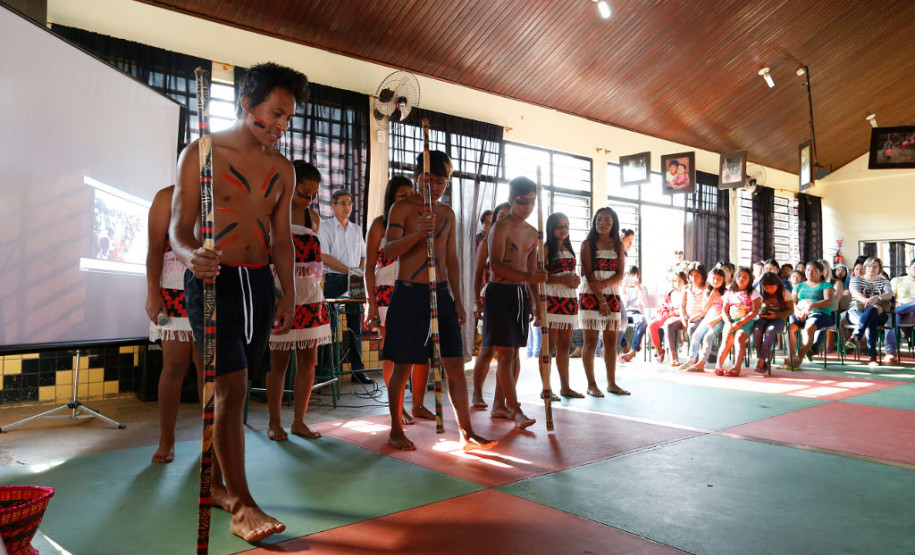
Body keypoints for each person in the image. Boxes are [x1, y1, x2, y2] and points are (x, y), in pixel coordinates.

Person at [171, 61, 308, 542]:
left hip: (258, 285)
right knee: (229, 387)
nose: (281, 125)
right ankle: (243, 506)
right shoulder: (201, 153)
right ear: (247, 104)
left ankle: (215, 485)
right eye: (275, 113)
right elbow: (179, 229)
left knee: (241, 387)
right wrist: (191, 257)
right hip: (213, 281)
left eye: (288, 117)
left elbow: (282, 238)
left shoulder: (283, 169)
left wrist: (289, 291)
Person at [382, 150, 496, 450]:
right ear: (417, 176)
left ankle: (466, 431)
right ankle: (395, 429)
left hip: (441, 293)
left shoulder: (447, 214)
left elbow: (452, 259)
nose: (434, 187)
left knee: (454, 364)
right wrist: (418, 233)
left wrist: (458, 299)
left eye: (441, 182)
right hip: (409, 293)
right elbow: (389, 251)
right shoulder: (401, 208)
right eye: (429, 180)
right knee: (403, 365)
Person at [265, 161, 332, 441]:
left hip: (310, 296)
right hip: (280, 295)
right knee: (278, 361)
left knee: (309, 360)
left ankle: (299, 421)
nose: (309, 200)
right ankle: (274, 422)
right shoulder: (270, 212)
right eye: (304, 193)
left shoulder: (312, 218)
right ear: (289, 186)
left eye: (314, 195)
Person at [364, 176, 431, 424]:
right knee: (394, 351)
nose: (408, 200)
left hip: (417, 288)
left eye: (411, 194)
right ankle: (398, 407)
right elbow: (369, 267)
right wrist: (370, 303)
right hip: (387, 291)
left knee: (422, 351)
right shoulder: (380, 224)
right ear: (391, 197)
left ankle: (418, 404)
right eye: (403, 196)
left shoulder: (421, 221)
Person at [484, 176, 549, 427]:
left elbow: (532, 273)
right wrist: (529, 277)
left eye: (533, 202)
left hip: (520, 295)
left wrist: (536, 303)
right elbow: (496, 266)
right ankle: (516, 409)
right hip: (499, 293)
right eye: (523, 201)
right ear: (511, 200)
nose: (529, 207)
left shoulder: (533, 233)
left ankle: (499, 405)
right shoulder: (500, 228)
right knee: (505, 353)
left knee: (514, 354)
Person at [146, 185, 203, 463]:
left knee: (208, 367)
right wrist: (152, 293)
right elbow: (155, 249)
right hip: (173, 288)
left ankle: (211, 438)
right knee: (175, 364)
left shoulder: (220, 193)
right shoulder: (166, 197)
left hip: (211, 288)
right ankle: (166, 440)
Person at [318, 189, 374, 384]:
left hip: (356, 278)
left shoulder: (356, 229)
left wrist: (357, 271)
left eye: (350, 203)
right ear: (333, 206)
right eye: (343, 203)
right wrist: (349, 270)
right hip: (334, 278)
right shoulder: (325, 227)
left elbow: (364, 255)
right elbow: (324, 257)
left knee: (355, 326)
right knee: (330, 327)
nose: (347, 207)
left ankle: (358, 371)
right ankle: (326, 371)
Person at [579, 207, 629, 396]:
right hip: (591, 294)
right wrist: (601, 299)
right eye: (599, 219)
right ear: (594, 222)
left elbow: (620, 274)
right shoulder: (587, 244)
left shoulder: (618, 245)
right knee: (590, 342)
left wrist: (605, 285)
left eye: (608, 220)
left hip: (612, 293)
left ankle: (612, 383)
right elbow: (589, 274)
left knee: (610, 342)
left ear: (614, 223)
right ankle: (591, 384)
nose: (603, 223)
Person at [470, 202, 514, 411]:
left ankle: (501, 401)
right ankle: (477, 393)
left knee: (512, 354)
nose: (505, 219)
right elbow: (477, 274)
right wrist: (475, 302)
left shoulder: (520, 241)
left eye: (509, 216)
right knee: (488, 349)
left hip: (515, 299)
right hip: (492, 297)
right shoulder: (487, 243)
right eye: (501, 216)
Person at [544, 212, 583, 398]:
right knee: (549, 346)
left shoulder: (569, 249)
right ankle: (546, 388)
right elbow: (538, 276)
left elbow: (568, 273)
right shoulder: (545, 248)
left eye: (566, 225)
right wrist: (561, 280)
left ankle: (565, 387)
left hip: (569, 300)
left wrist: (575, 280)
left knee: (565, 346)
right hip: (552, 299)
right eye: (559, 226)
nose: (563, 229)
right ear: (551, 228)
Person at [784, 261, 835, 368]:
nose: (810, 273)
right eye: (808, 270)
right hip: (800, 313)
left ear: (821, 273)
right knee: (789, 328)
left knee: (809, 328)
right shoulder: (799, 286)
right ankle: (792, 356)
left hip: (820, 314)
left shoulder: (826, 285)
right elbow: (792, 302)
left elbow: (829, 301)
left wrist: (812, 305)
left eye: (814, 271)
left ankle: (800, 358)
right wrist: (797, 311)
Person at [846, 257, 895, 365]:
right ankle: (872, 356)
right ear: (865, 267)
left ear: (879, 269)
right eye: (869, 266)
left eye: (875, 267)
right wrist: (871, 303)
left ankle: (855, 336)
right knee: (871, 317)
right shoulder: (856, 279)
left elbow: (889, 294)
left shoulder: (884, 281)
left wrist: (877, 297)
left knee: (871, 314)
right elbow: (855, 293)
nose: (871, 269)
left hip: (880, 313)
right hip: (856, 311)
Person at [717, 267, 762, 376]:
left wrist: (740, 322)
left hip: (746, 321)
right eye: (739, 276)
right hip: (731, 321)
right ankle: (718, 366)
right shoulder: (729, 292)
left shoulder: (753, 292)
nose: (741, 279)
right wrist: (728, 322)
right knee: (726, 339)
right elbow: (724, 310)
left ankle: (736, 367)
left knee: (739, 338)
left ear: (750, 279)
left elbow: (755, 311)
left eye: (745, 277)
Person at [681, 268, 727, 372]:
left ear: (723, 280)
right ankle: (691, 360)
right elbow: (705, 308)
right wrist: (711, 296)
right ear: (709, 279)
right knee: (696, 335)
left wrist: (716, 320)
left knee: (708, 337)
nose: (716, 281)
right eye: (714, 278)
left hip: (720, 319)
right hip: (708, 318)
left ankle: (702, 362)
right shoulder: (707, 292)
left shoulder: (726, 292)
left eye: (719, 279)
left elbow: (726, 311)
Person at [663, 263, 706, 366]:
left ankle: (695, 357)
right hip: (687, 317)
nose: (694, 278)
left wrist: (694, 318)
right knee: (669, 324)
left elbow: (707, 309)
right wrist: (683, 319)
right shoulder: (686, 288)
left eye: (697, 275)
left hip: (701, 318)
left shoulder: (706, 288)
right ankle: (673, 357)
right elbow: (682, 306)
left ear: (702, 276)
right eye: (691, 275)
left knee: (692, 327)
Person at [753, 272, 794, 373]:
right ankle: (763, 358)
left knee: (770, 330)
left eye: (772, 288)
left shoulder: (784, 292)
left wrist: (776, 315)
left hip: (779, 319)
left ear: (778, 284)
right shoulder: (759, 291)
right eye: (766, 288)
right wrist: (760, 312)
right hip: (763, 318)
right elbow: (755, 307)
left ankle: (761, 360)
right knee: (757, 330)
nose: (769, 290)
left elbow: (791, 310)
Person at [648, 272, 687, 362]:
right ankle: (659, 352)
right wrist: (665, 312)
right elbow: (663, 305)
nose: (677, 283)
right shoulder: (670, 292)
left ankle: (671, 354)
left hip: (678, 316)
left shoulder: (687, 292)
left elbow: (685, 308)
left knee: (668, 325)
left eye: (679, 281)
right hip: (667, 315)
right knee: (652, 325)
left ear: (684, 281)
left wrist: (673, 313)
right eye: (675, 281)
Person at [618, 266, 647, 363]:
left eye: (633, 277)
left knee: (642, 320)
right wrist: (623, 290)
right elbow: (624, 304)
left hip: (637, 312)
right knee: (617, 320)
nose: (631, 280)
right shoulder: (623, 287)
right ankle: (624, 346)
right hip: (625, 312)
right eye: (628, 277)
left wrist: (639, 289)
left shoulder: (642, 287)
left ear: (637, 277)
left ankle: (633, 350)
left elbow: (644, 304)